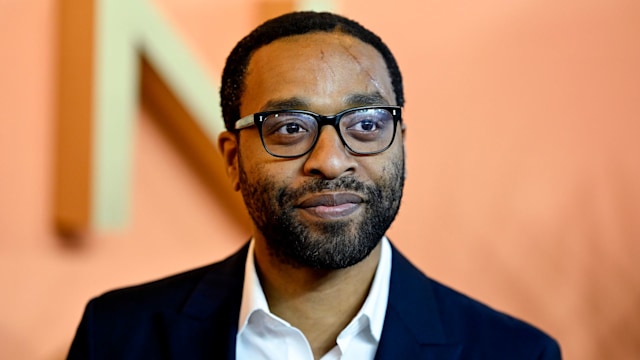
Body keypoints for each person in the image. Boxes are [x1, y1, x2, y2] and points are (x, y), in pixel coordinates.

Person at [67, 11, 561, 360]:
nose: (330, 160)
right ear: (234, 159)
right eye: (288, 127)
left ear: (400, 144)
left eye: (366, 125)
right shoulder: (117, 337)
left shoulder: (514, 353)